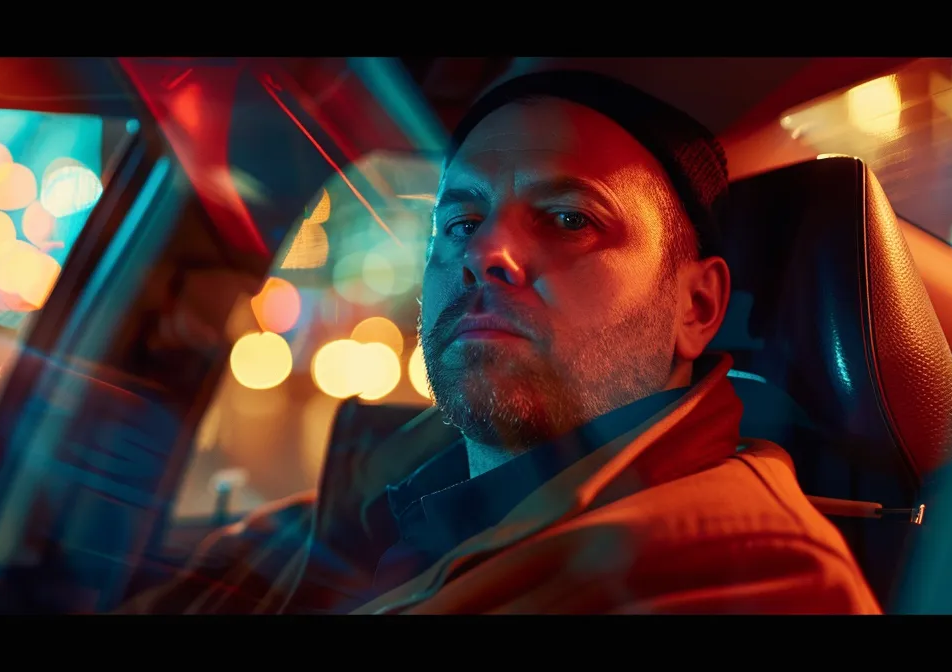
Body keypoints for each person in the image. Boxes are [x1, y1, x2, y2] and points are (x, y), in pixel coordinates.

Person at [120, 70, 882, 615]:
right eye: (460, 222)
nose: (487, 252)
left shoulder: (745, 575)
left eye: (569, 218)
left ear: (698, 304)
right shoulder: (373, 493)